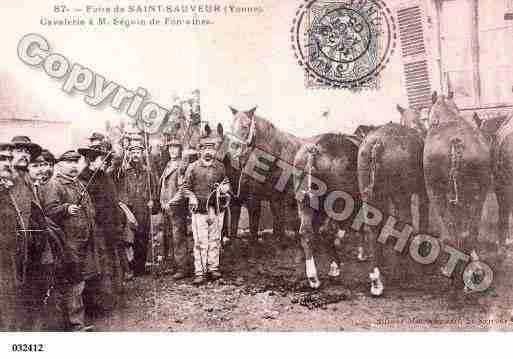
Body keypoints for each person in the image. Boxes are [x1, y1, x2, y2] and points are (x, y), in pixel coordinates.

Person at [39, 150, 98, 331]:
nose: (74, 166)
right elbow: (47, 212)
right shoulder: (54, 185)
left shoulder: (77, 184)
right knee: (72, 283)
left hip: (82, 242)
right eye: (69, 162)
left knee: (78, 281)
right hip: (66, 244)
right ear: (59, 165)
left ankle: (74, 323)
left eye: (76, 162)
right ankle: (74, 325)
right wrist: (66, 209)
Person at [78, 143, 123, 314]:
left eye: (106, 159)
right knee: (98, 265)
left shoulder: (105, 176)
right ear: (90, 161)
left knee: (110, 262)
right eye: (101, 159)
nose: (105, 162)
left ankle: (110, 298)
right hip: (96, 229)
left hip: (110, 227)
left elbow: (112, 201)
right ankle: (96, 304)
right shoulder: (84, 179)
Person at [183, 132, 231, 285]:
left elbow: (226, 182)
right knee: (200, 241)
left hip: (217, 210)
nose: (208, 152)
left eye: (211, 149)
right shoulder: (193, 168)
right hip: (199, 211)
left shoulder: (220, 167)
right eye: (205, 149)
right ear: (200, 151)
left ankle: (213, 268)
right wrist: (191, 196)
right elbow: (185, 188)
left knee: (215, 240)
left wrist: (225, 187)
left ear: (215, 151)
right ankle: (200, 271)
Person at [117, 143, 158, 276]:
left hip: (143, 208)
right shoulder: (123, 171)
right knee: (129, 237)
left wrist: (153, 201)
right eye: (133, 152)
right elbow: (120, 189)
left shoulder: (148, 171)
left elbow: (154, 189)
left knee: (143, 236)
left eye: (138, 152)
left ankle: (140, 267)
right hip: (128, 208)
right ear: (129, 154)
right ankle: (130, 266)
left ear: (142, 154)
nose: (135, 155)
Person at [159, 138, 191, 279]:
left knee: (178, 238)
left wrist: (171, 202)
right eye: (170, 147)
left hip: (176, 207)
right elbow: (163, 186)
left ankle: (182, 268)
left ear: (180, 150)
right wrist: (161, 201)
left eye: (175, 147)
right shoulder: (168, 164)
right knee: (168, 237)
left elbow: (182, 189)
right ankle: (173, 265)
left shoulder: (182, 166)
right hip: (166, 207)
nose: (172, 150)